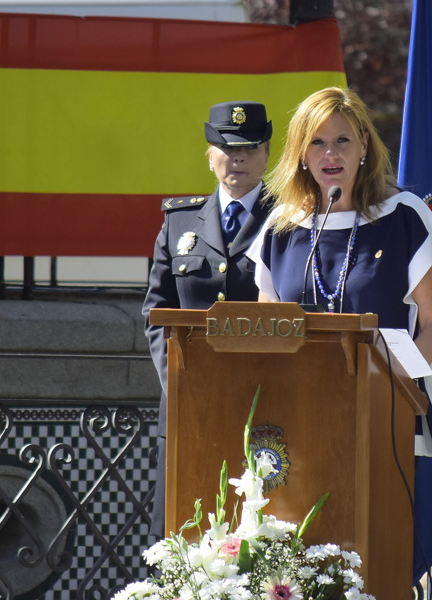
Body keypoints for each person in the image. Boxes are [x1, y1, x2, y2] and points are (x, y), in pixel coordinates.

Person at [245, 86, 432, 456]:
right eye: (317, 143)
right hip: (296, 416)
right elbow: (267, 330)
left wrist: (391, 383)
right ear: (301, 155)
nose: (331, 154)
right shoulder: (281, 226)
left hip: (384, 416)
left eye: (343, 140)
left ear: (365, 146)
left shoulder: (404, 215)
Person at [142, 101, 275, 537]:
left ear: (266, 153)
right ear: (208, 151)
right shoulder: (179, 220)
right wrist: (178, 382)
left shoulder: (289, 219)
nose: (236, 157)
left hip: (263, 404)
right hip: (187, 403)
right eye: (225, 145)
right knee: (181, 530)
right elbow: (157, 311)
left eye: (249, 147)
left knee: (257, 535)